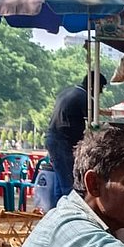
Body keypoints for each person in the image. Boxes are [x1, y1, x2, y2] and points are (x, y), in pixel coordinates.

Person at [46, 72, 107, 206]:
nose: (101, 92)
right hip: (64, 141)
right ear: (93, 86)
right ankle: (70, 211)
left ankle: (56, 209)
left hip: (53, 138)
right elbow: (94, 124)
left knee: (60, 180)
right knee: (69, 181)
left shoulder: (67, 92)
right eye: (101, 88)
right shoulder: (84, 98)